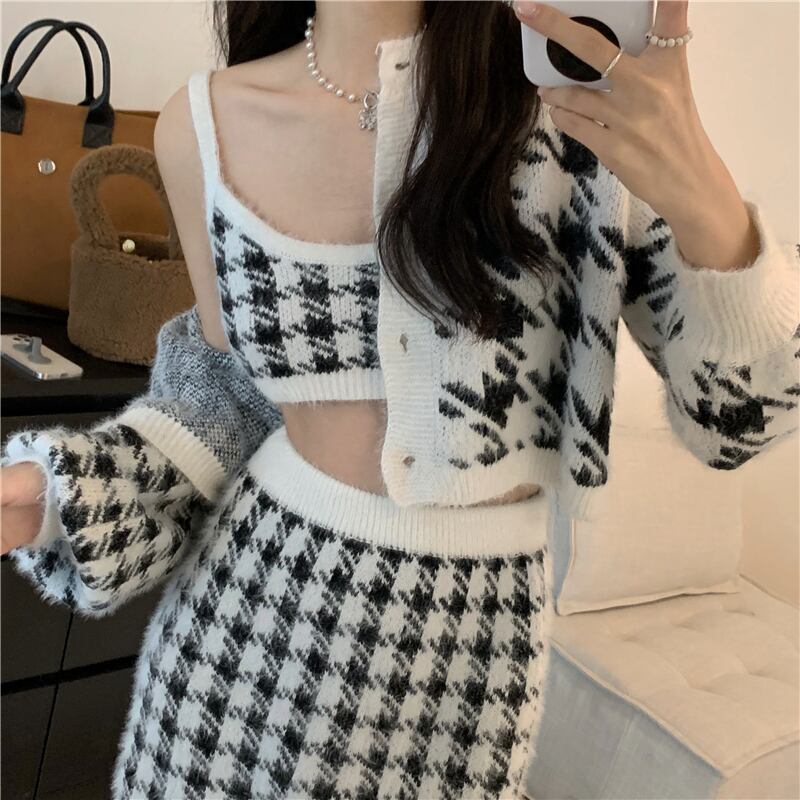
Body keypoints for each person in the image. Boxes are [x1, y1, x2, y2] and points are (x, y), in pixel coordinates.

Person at [2, 2, 798, 798]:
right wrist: (64, 493)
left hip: (468, 671)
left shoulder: (579, 121)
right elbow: (229, 399)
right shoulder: (201, 124)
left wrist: (700, 186)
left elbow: (742, 420)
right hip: (234, 654)